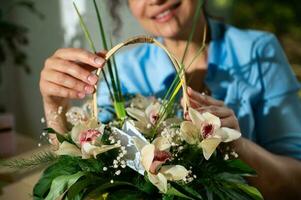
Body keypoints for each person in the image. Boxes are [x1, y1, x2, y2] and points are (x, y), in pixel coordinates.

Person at [39, 0, 301, 199]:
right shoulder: (126, 68)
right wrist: (54, 105)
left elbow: (295, 182)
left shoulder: (258, 52)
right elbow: (87, 169)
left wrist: (235, 145)